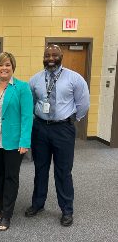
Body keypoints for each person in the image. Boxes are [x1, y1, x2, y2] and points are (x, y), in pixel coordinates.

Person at [25, 44, 90, 227]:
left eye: (55, 54)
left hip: (63, 130)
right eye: (47, 55)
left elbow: (83, 103)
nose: (51, 58)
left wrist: (70, 120)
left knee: (63, 171)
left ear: (61, 56)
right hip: (40, 129)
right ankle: (38, 204)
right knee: (40, 169)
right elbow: (31, 102)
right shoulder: (35, 79)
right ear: (43, 57)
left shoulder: (74, 78)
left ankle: (67, 210)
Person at [0, 52, 33, 231]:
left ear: (13, 67)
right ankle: (3, 207)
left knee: (11, 177)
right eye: (0, 65)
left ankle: (7, 214)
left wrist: (25, 141)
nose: (4, 68)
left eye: (7, 65)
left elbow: (27, 117)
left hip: (13, 141)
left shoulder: (22, 88)